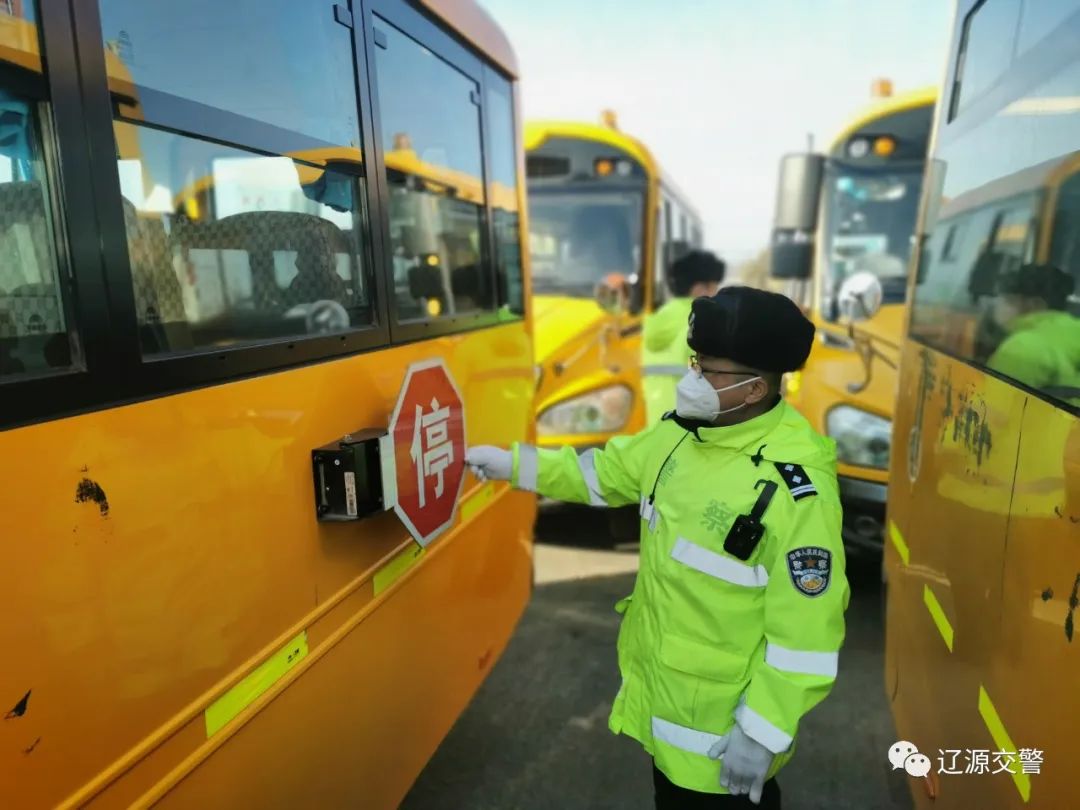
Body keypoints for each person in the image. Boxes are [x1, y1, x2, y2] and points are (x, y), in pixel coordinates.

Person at [467, 286, 849, 808]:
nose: (692, 379)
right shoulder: (680, 435)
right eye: (696, 362)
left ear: (755, 389)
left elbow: (808, 634)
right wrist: (510, 464)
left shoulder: (795, 488)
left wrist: (762, 731)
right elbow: (601, 475)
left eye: (709, 371)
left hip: (724, 740)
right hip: (669, 714)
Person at [642, 250, 727, 424]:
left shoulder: (655, 322)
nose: (717, 293)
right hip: (691, 428)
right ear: (699, 290)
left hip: (656, 428)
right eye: (714, 287)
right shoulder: (700, 321)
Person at [987, 263, 1080, 402]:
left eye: (1009, 300)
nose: (1000, 306)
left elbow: (991, 407)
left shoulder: (1023, 346)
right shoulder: (1074, 332)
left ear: (1035, 305)